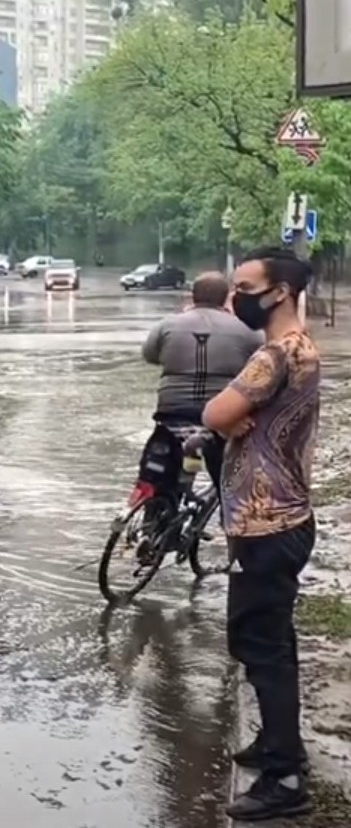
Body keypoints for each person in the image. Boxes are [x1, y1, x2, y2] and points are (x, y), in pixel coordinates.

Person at [202, 248, 320, 822]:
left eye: (246, 286)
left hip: (266, 523)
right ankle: (280, 746)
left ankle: (285, 779)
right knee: (275, 642)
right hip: (284, 518)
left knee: (260, 647)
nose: (236, 297)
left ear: (279, 293)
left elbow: (214, 415)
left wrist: (227, 416)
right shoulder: (303, 348)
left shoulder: (274, 356)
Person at [139, 271, 260, 503]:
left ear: (192, 296)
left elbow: (150, 356)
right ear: (226, 299)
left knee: (157, 476)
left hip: (171, 413)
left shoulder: (167, 325)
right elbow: (259, 368)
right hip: (221, 418)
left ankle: (153, 521)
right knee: (230, 488)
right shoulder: (248, 331)